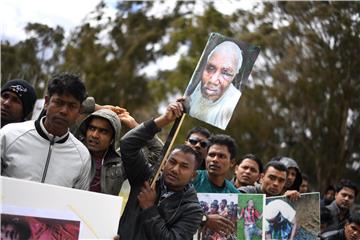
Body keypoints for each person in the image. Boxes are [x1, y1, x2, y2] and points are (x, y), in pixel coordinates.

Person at [117, 100, 203, 240]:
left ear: (193, 175)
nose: (175, 169)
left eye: (184, 166)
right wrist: (164, 119)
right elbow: (128, 144)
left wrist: (150, 209)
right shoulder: (145, 178)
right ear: (164, 163)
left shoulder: (192, 210)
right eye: (172, 162)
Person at [1, 73, 91, 189]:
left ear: (80, 111)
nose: (64, 111)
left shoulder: (82, 156)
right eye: (58, 102)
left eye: (72, 106)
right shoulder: (9, 135)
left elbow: (78, 202)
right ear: (46, 102)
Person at [78, 109, 163, 195]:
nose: (94, 135)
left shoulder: (120, 162)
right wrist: (97, 107)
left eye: (103, 131)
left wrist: (136, 126)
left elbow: (159, 153)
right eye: (92, 128)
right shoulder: (73, 150)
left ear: (112, 139)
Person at [187, 41, 243, 129]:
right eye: (210, 68)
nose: (213, 80)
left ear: (235, 74)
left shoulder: (234, 103)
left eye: (226, 73)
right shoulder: (202, 86)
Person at [193, 134, 239, 238]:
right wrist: (205, 219)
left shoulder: (235, 195)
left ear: (232, 162)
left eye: (221, 156)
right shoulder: (191, 179)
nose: (215, 159)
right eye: (211, 155)